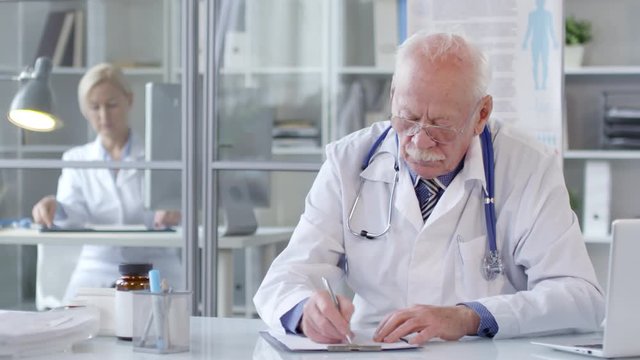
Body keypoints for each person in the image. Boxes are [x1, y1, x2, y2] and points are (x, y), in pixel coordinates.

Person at [254, 32, 604, 344]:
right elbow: (285, 278)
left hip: (485, 352)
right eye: (407, 118)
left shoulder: (528, 167)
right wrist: (304, 312)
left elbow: (580, 297)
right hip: (374, 350)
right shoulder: (348, 162)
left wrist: (470, 317)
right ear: (393, 95)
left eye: (441, 125)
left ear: (481, 113)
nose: (420, 140)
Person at [31, 63, 182, 302]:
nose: (104, 116)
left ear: (129, 100)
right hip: (97, 265)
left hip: (154, 263)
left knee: (167, 325)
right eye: (94, 107)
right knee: (73, 327)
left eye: (111, 105)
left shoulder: (158, 154)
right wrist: (55, 207)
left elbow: (175, 208)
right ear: (84, 110)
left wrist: (173, 210)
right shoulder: (76, 159)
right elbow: (74, 214)